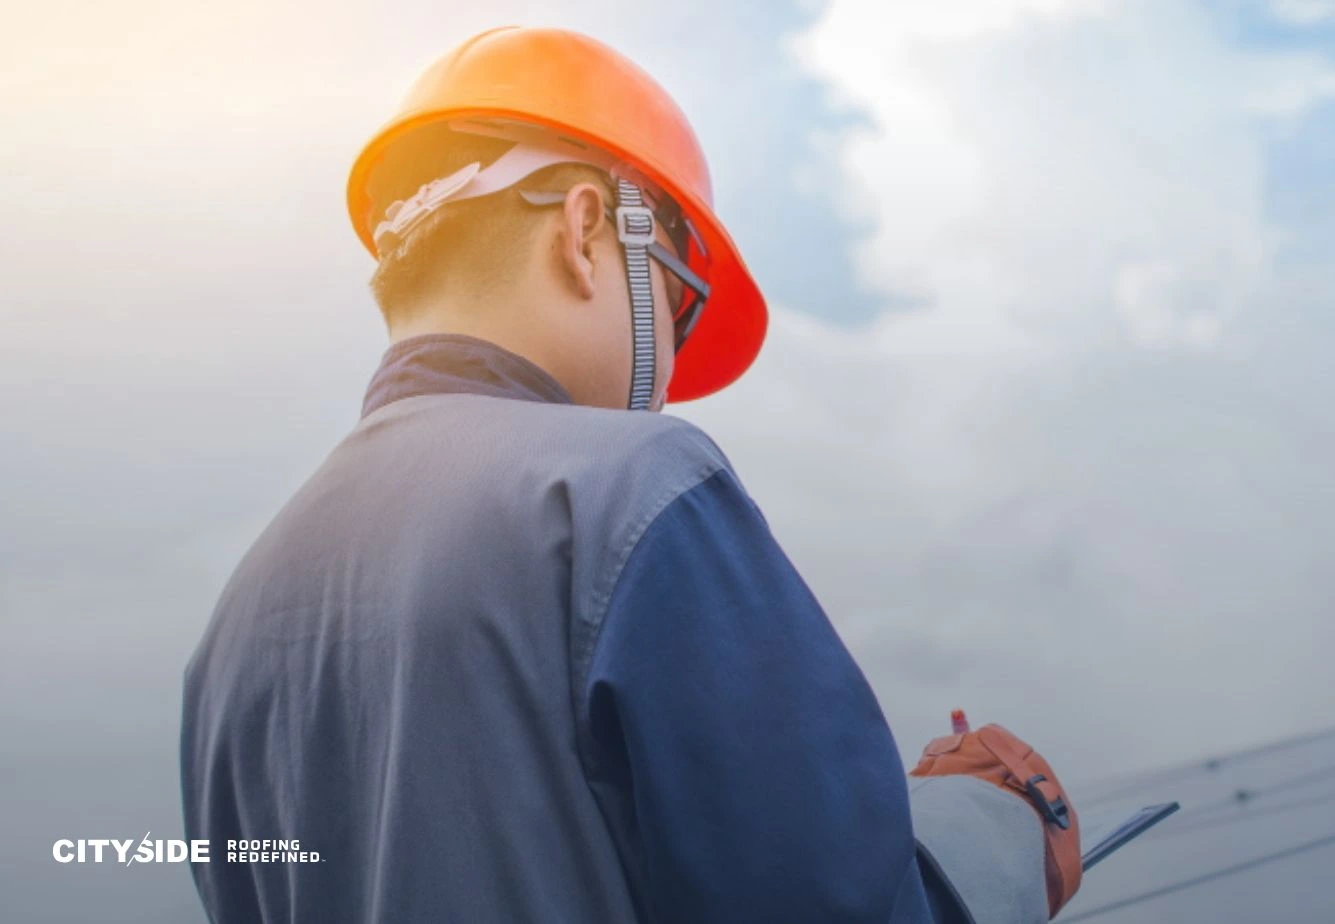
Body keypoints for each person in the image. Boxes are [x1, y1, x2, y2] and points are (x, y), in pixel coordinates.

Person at [180, 26, 1082, 924]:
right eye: (678, 299)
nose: (673, 347)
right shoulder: (631, 491)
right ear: (585, 229)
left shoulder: (236, 624)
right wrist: (996, 832)